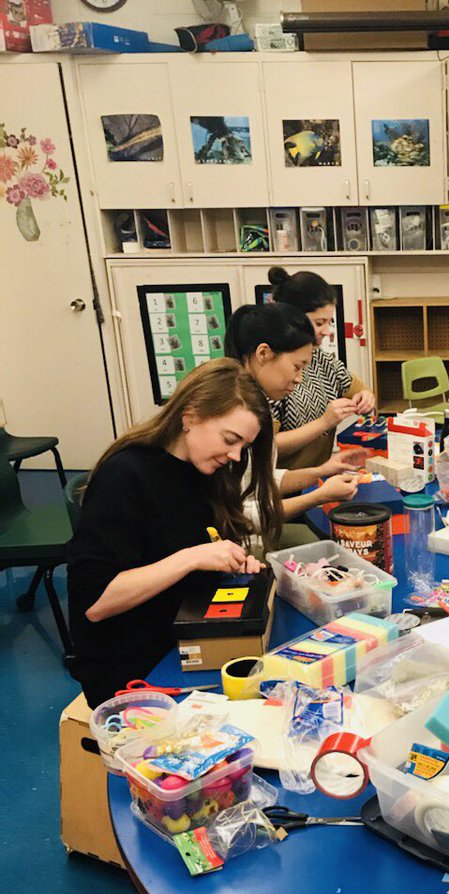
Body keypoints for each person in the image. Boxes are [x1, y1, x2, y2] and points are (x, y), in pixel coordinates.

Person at [67, 359, 278, 707]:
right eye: (230, 439)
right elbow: (95, 604)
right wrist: (192, 558)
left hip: (182, 639)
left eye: (244, 446)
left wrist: (231, 568)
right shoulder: (125, 476)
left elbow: (192, 554)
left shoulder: (202, 471)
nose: (236, 455)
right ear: (190, 415)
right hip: (134, 667)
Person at [223, 303, 359, 545]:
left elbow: (260, 478)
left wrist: (321, 471)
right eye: (297, 367)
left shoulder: (257, 405)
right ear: (263, 353)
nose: (299, 379)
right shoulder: (232, 414)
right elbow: (239, 514)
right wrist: (318, 496)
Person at [267, 266, 376, 470]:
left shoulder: (321, 360)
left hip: (316, 477)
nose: (326, 332)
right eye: (319, 323)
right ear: (292, 318)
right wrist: (324, 422)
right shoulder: (270, 372)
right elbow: (267, 447)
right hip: (283, 485)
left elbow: (360, 388)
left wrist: (366, 397)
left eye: (329, 323)